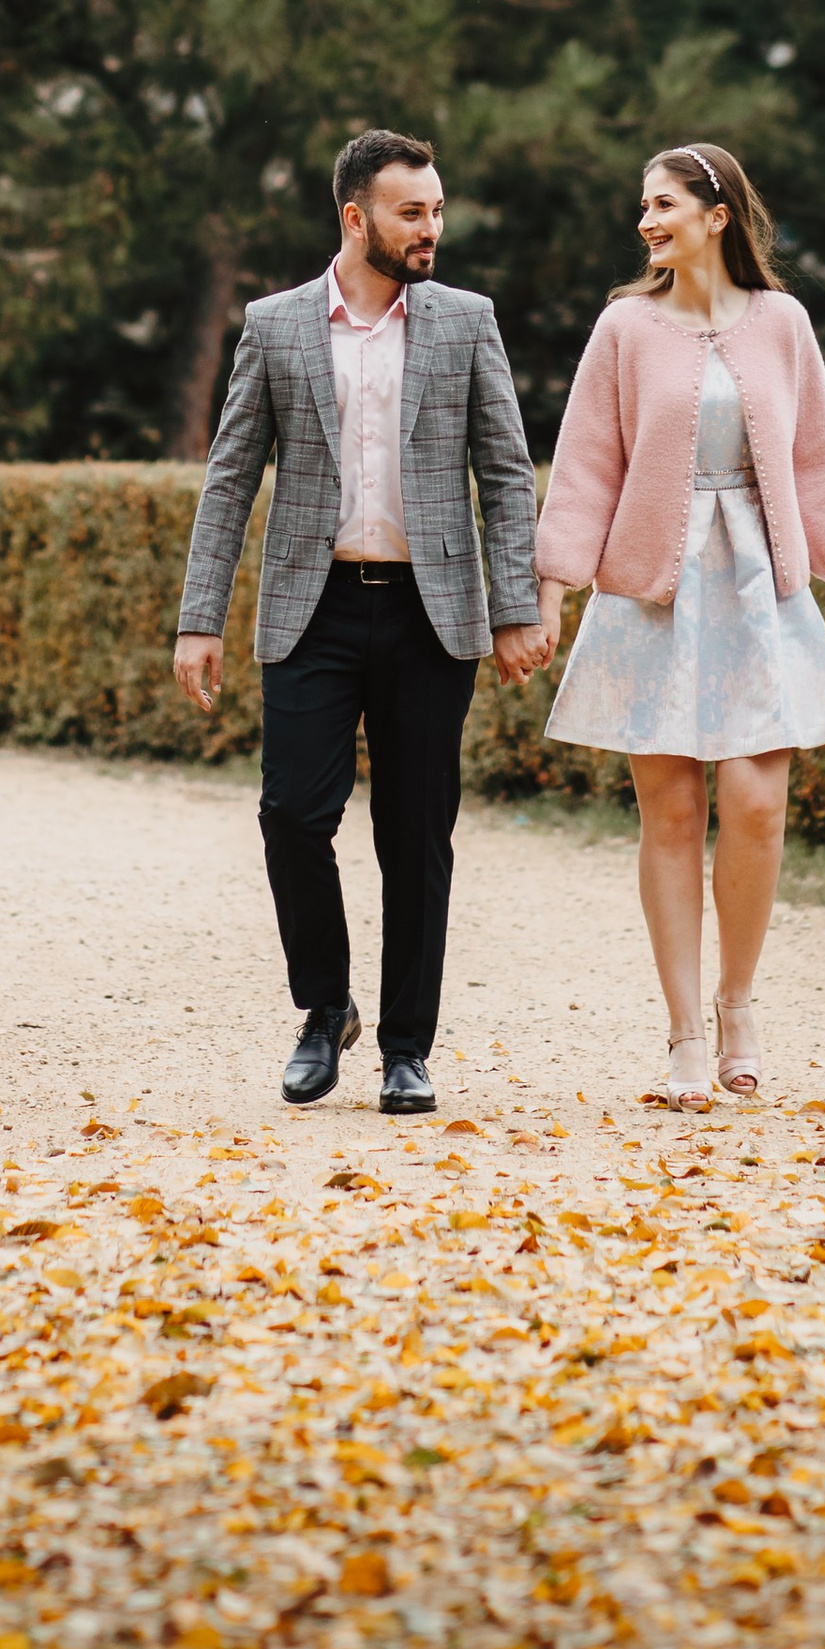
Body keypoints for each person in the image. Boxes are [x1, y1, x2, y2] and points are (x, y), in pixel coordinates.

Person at [173, 128, 544, 1117]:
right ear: (355, 218)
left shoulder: (467, 322)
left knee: (414, 834)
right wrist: (199, 618)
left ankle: (405, 1050)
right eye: (410, 213)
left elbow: (506, 472)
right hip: (315, 608)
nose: (430, 230)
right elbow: (229, 476)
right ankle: (324, 1007)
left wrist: (514, 606)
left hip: (432, 612)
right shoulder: (276, 326)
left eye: (436, 211)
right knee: (291, 815)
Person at [534, 143, 825, 1110]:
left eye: (663, 204)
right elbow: (587, 465)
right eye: (643, 206)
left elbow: (819, 460)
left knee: (758, 803)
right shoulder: (624, 327)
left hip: (760, 590)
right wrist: (555, 587)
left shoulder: (783, 323)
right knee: (672, 815)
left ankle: (739, 1005)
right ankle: (686, 1032)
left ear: (717, 215)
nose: (646, 221)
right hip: (652, 592)